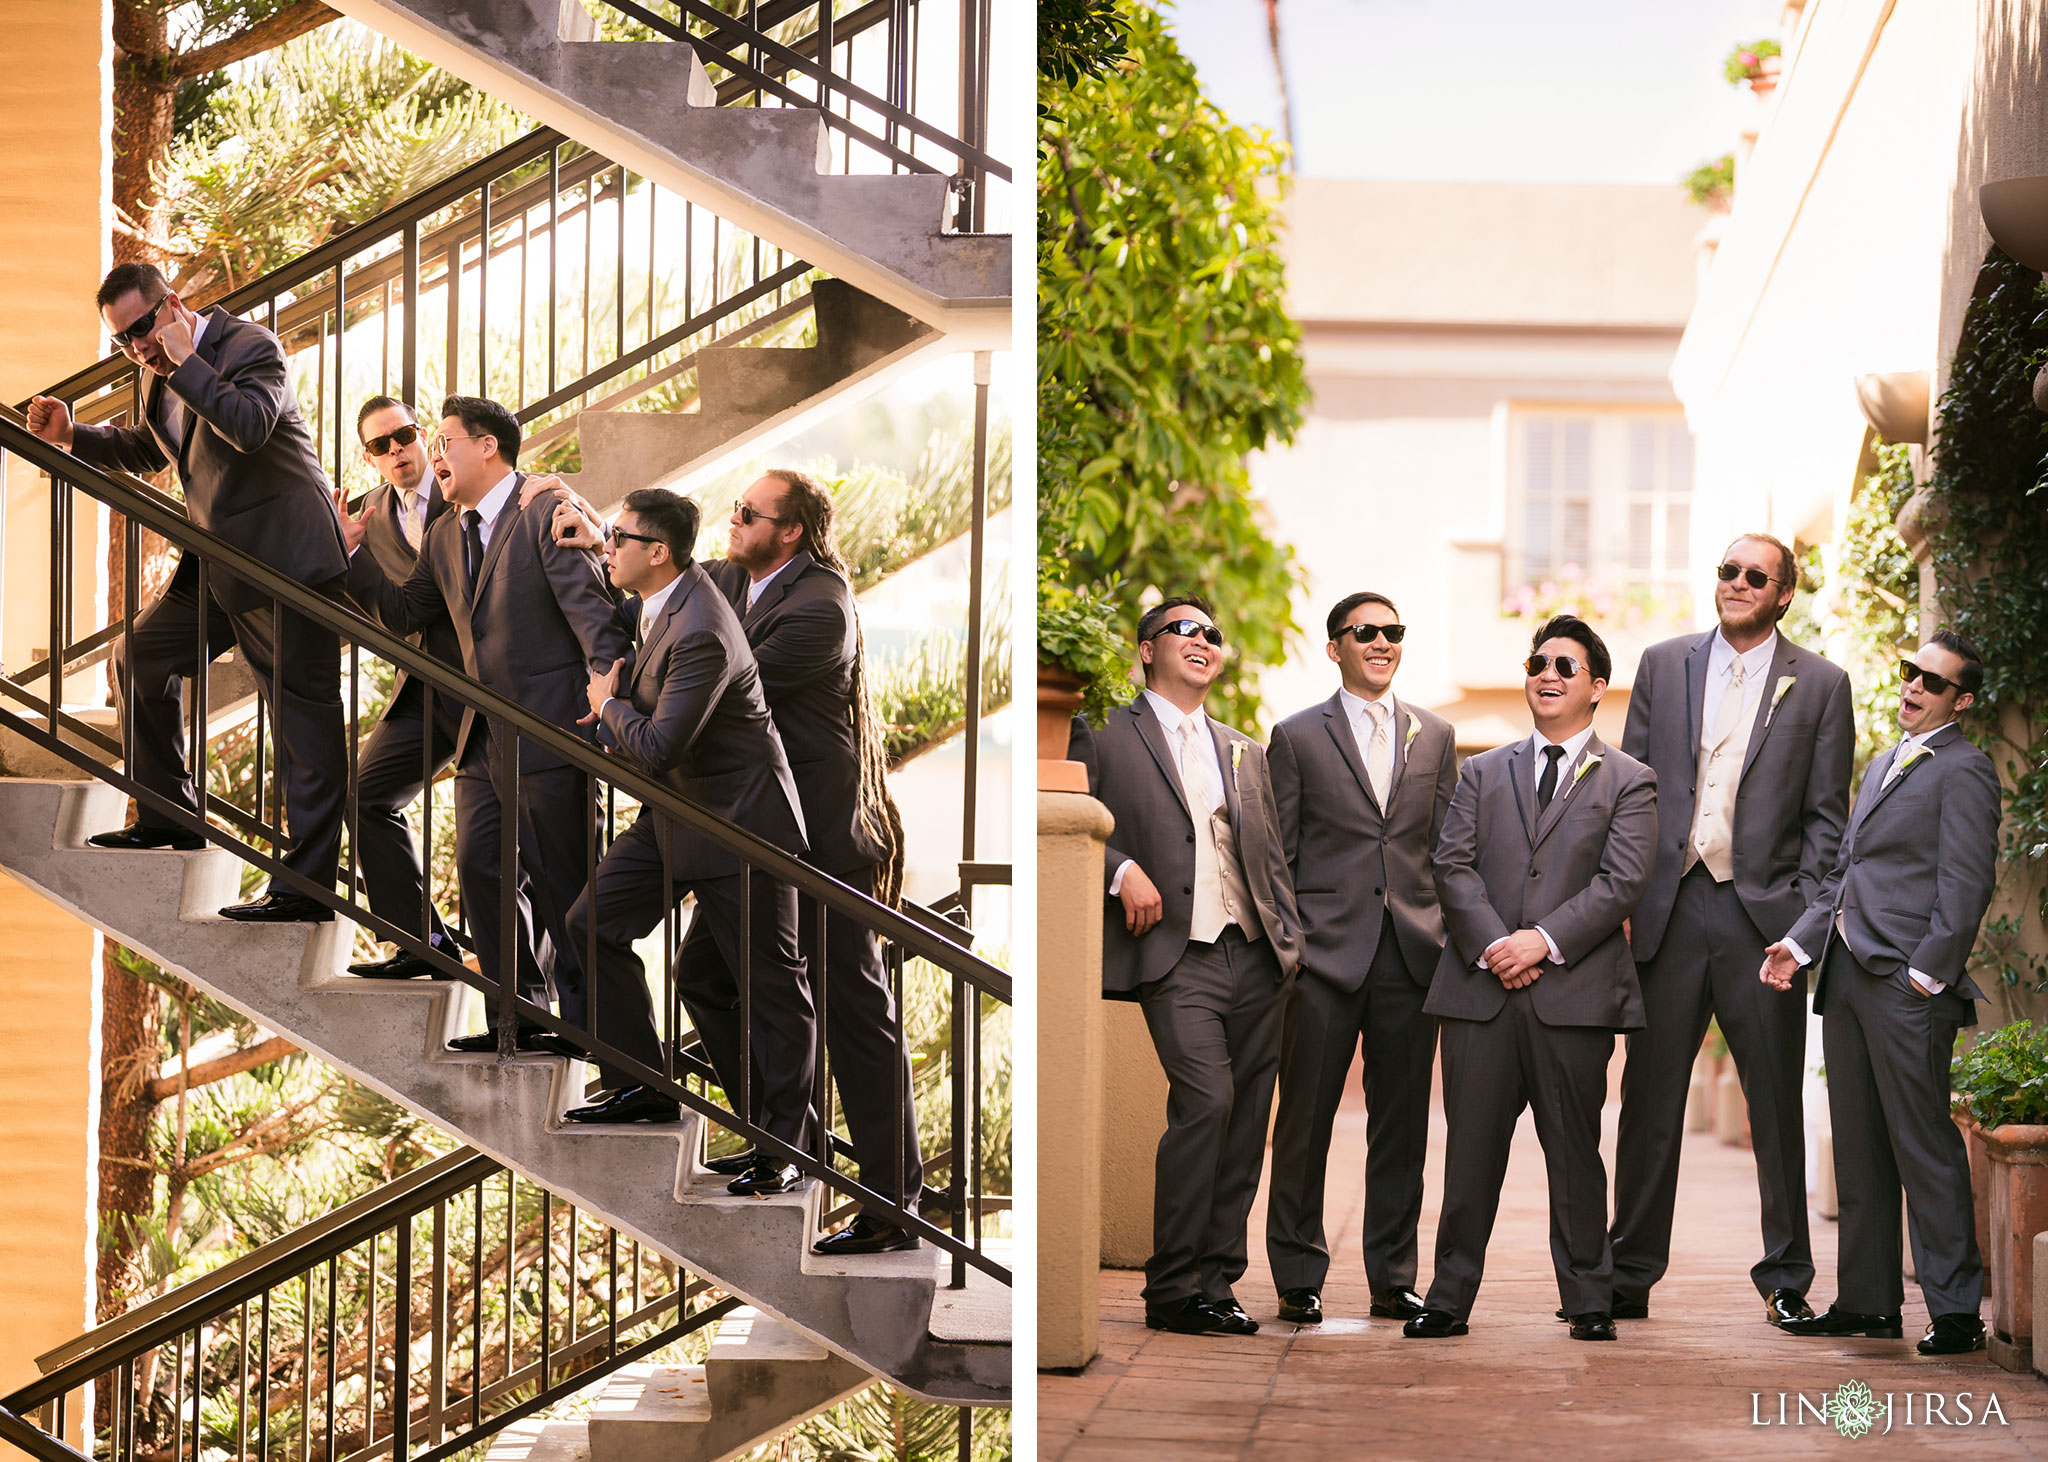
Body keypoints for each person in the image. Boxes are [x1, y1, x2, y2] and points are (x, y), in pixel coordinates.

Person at [524, 469, 925, 1251]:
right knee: (709, 976)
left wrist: (615, 700)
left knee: (856, 1018)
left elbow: (691, 692)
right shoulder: (727, 585)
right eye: (735, 510)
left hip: (817, 841)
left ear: (792, 532)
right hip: (727, 825)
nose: (733, 521)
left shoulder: (818, 608)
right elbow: (661, 584)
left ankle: (891, 1207)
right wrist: (593, 523)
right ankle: (787, 1140)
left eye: (749, 514)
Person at [28, 263, 348, 921]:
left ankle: (307, 892)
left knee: (302, 726)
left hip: (285, 563)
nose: (137, 346)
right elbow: (154, 447)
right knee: (139, 656)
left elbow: (251, 426)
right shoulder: (158, 371)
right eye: (123, 339)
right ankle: (172, 818)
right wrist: (72, 436)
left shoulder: (249, 346)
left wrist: (183, 366)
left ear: (172, 304)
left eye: (143, 326)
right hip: (218, 561)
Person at [1609, 534, 1853, 1325]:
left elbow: (1826, 821)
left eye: (1756, 576)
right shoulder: (1663, 663)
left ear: (1784, 594)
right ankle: (1628, 1274)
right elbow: (1632, 793)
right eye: (1728, 571)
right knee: (1649, 1102)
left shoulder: (1820, 684)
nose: (1737, 583)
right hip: (1668, 912)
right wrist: (1622, 897)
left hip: (1763, 926)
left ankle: (1786, 1278)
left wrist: (1805, 920)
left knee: (1775, 1104)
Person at [340, 396, 626, 1054]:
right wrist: (347, 551)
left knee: (563, 883)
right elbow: (409, 609)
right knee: (480, 867)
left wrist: (607, 698)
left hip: (553, 731)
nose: (433, 455)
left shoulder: (545, 510)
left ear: (489, 445)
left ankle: (586, 1029)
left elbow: (592, 613)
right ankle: (517, 1015)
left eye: (444, 441)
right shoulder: (443, 534)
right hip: (479, 734)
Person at [556, 489, 816, 1201]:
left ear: (658, 552)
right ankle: (643, 1088)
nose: (608, 546)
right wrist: (590, 536)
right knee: (590, 925)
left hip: (742, 828)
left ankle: (789, 1149)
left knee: (771, 989)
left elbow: (664, 741)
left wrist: (607, 702)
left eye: (618, 539)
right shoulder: (666, 596)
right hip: (678, 813)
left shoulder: (700, 626)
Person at [1406, 614, 1656, 1343]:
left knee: (1575, 1154)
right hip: (1482, 995)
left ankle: (1588, 1300)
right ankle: (1447, 1299)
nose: (1546, 675)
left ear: (1596, 688)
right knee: (1470, 1154)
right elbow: (1451, 864)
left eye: (1564, 666)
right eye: (1537, 662)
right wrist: (1493, 946)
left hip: (1572, 999)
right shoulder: (1483, 771)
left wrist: (1540, 942)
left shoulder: (1630, 781)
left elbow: (1623, 881)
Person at [1070, 596, 1302, 1337]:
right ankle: (1171, 1289)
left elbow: (1268, 860)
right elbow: (1062, 817)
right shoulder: (1103, 729)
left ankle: (1217, 1282)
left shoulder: (1245, 748)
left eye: (1213, 633)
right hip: (1176, 954)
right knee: (1206, 1102)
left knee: (1245, 1122)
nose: (1204, 640)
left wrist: (1288, 945)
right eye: (1185, 630)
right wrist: (1120, 868)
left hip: (1257, 957)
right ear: (1147, 650)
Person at [1768, 631, 2000, 1356]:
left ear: (1959, 699)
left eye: (1931, 683)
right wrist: (1800, 941)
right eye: (1909, 674)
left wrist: (1925, 974)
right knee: (1861, 1148)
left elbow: (1967, 883)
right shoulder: (1881, 764)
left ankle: (1956, 1309)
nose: (1912, 688)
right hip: (1844, 977)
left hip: (1906, 987)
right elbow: (1843, 876)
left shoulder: (1966, 769)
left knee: (1923, 1145)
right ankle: (1869, 1302)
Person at [1263, 591, 1457, 1326]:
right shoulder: (1296, 737)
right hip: (1322, 957)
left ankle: (1392, 1276)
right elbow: (1276, 855)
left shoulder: (1434, 736)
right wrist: (1293, 949)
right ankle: (1298, 1275)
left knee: (1402, 1125)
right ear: (1335, 646)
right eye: (1365, 632)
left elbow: (1447, 849)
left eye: (1393, 632)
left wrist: (1442, 933)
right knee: (1305, 1122)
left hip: (1410, 956)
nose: (1381, 642)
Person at [336, 397, 464, 978]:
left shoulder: (463, 487)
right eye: (380, 446)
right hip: (423, 686)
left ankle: (531, 1002)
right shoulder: (366, 516)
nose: (396, 451)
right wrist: (347, 548)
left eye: (404, 435)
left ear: (425, 437)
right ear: (370, 459)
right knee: (363, 795)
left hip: (490, 690)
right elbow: (384, 605)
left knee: (503, 851)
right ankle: (423, 944)